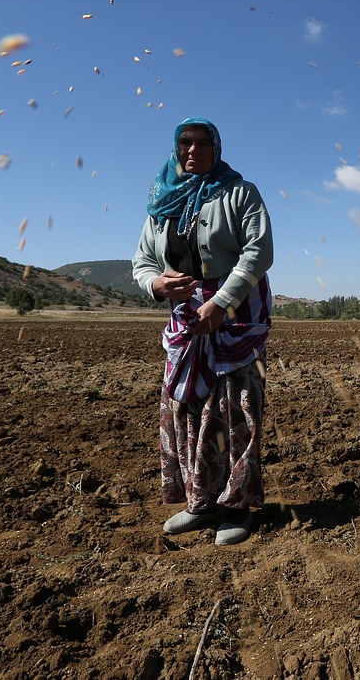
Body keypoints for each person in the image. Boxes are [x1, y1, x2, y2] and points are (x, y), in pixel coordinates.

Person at [132, 117, 273, 546]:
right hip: (186, 324)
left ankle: (236, 506)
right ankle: (201, 502)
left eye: (201, 143)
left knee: (236, 410)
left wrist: (222, 302)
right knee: (189, 411)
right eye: (184, 143)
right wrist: (156, 284)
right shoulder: (162, 204)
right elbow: (141, 263)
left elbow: (259, 251)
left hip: (235, 319)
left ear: (217, 148)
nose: (191, 150)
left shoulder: (239, 193)